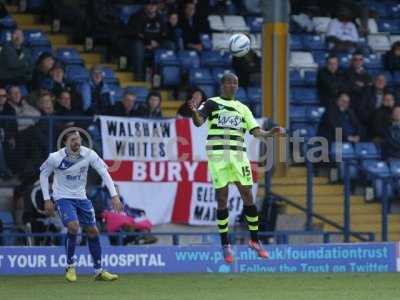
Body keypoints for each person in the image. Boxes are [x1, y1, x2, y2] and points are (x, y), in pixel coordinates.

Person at [188, 73, 284, 263]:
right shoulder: (212, 103)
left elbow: (257, 133)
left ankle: (255, 241)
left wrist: (270, 133)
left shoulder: (243, 109)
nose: (233, 85)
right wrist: (193, 111)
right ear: (222, 85)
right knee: (222, 198)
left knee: (247, 195)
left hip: (239, 156)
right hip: (218, 156)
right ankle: (226, 244)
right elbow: (199, 122)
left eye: (236, 83)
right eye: (230, 82)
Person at [39, 130, 121, 282]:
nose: (77, 142)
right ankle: (70, 266)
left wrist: (114, 195)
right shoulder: (55, 158)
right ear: (65, 142)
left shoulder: (89, 154)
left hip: (81, 197)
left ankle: (98, 271)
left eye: (78, 139)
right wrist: (47, 199)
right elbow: (43, 175)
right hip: (63, 197)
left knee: (93, 230)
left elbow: (104, 173)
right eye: (73, 140)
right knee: (73, 226)